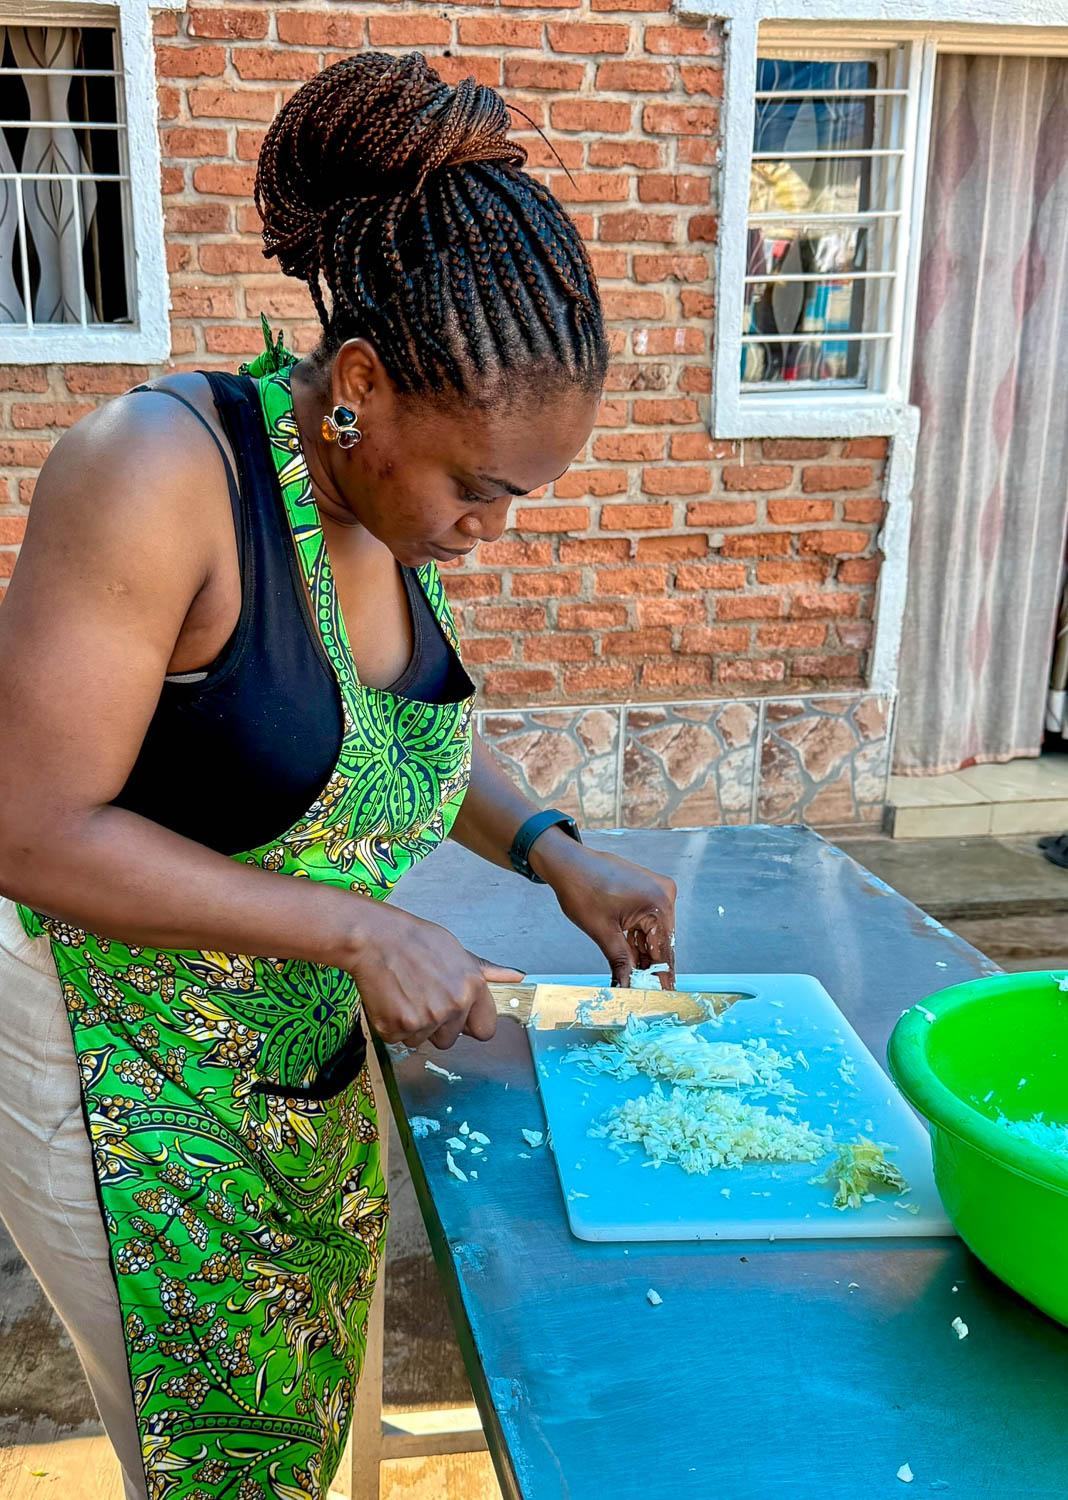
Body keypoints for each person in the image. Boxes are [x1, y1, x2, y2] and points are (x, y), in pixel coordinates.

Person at [0, 52, 677, 1500]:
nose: (493, 529)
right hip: (127, 1080)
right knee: (220, 1461)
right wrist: (362, 925)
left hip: (294, 1060)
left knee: (303, 1445)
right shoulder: (156, 474)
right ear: (360, 386)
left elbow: (379, 736)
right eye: (480, 487)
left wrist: (557, 850)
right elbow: (30, 829)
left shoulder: (374, 499)